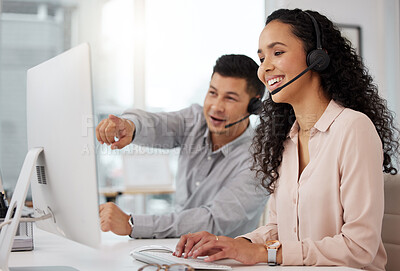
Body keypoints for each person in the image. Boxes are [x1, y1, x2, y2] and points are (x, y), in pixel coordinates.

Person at [174, 9, 399, 271]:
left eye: (277, 53)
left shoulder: (353, 128)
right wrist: (232, 244)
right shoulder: (285, 138)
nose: (264, 68)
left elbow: (359, 248)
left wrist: (264, 253)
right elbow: (279, 228)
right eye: (261, 58)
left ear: (316, 58)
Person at [96, 54, 268, 239]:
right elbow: (158, 124)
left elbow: (212, 221)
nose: (216, 106)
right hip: (175, 252)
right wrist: (130, 126)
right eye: (212, 93)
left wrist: (132, 223)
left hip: (224, 263)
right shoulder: (194, 120)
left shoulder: (258, 162)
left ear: (254, 106)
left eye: (230, 98)